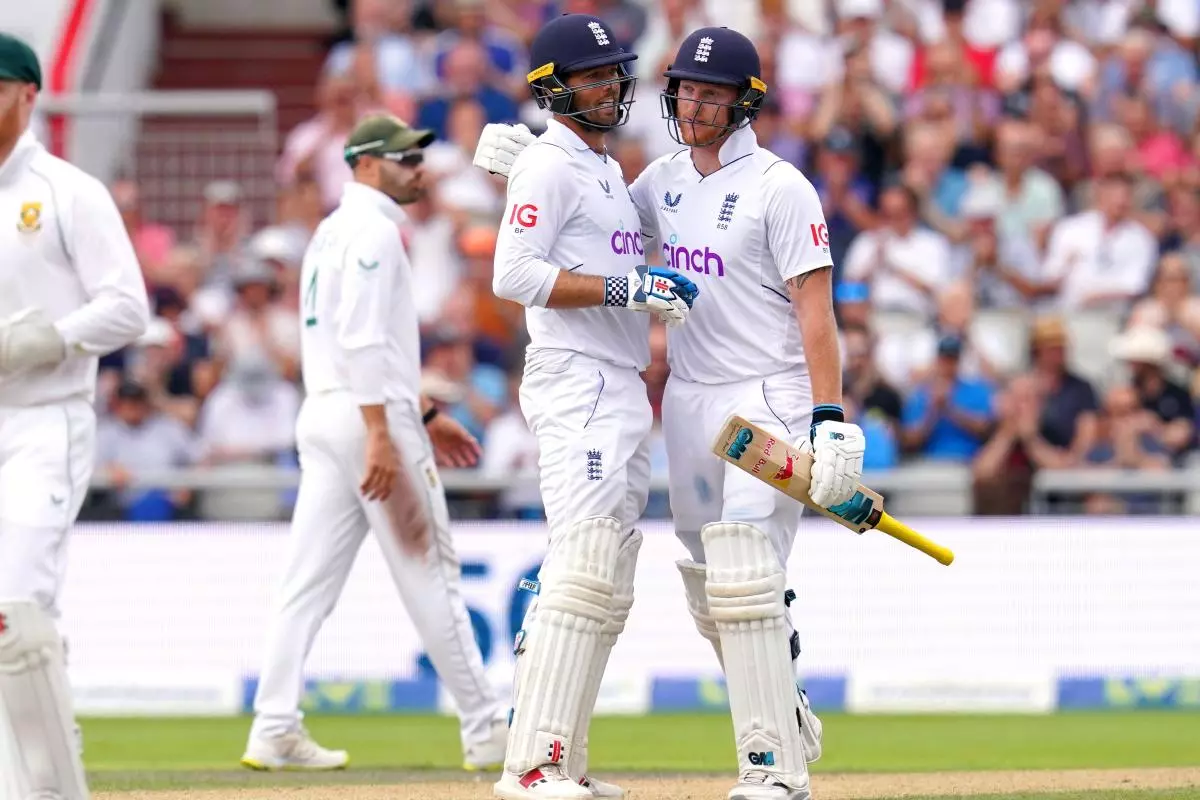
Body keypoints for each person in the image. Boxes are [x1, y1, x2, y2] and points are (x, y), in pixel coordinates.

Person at [477, 25, 866, 800]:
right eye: (686, 91)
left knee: (746, 569)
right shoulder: (657, 180)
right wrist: (531, 167)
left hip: (769, 390)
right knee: (708, 581)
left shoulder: (781, 186)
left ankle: (773, 768)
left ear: (746, 102)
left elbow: (816, 310)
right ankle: (779, 708)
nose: (694, 105)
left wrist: (829, 416)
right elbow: (591, 235)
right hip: (686, 397)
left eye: (711, 94)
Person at [241, 114, 507, 772]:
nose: (417, 170)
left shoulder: (331, 230)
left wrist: (421, 410)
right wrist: (384, 431)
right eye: (403, 159)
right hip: (366, 416)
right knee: (430, 574)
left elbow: (359, 340)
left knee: (305, 585)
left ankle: (274, 725)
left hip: (328, 411)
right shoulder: (376, 231)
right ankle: (486, 727)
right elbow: (363, 339)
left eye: (417, 159)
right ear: (364, 163)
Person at [485, 13, 699, 800]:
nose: (610, 86)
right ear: (554, 89)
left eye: (614, 73)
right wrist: (626, 287)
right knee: (579, 568)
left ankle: (564, 760)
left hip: (618, 381)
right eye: (593, 76)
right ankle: (531, 767)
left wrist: (635, 285)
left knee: (606, 580)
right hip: (577, 380)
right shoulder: (551, 165)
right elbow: (513, 275)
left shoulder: (600, 167)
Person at [0, 33, 151, 800]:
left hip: (44, 420)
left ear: (28, 94)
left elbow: (129, 307)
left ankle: (50, 786)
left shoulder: (67, 191)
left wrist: (49, 339)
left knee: (18, 609)